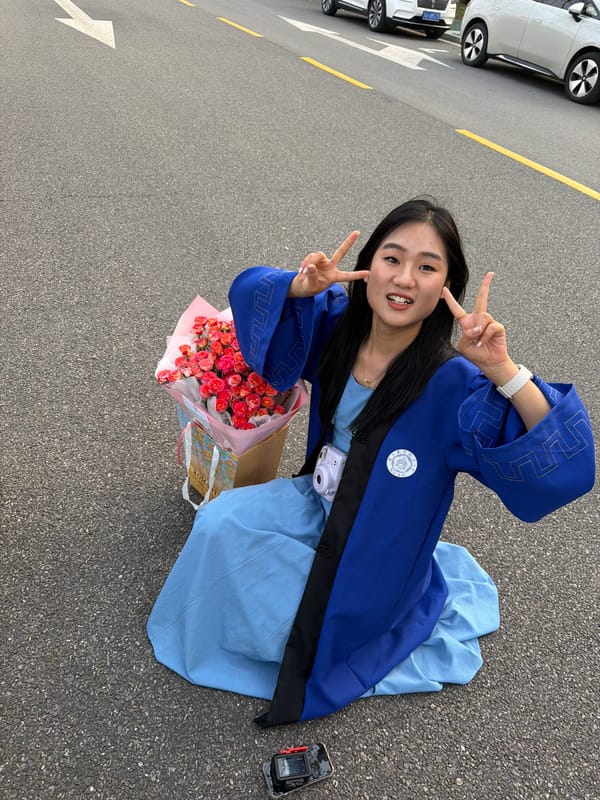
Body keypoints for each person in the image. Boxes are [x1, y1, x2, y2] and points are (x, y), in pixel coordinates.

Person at [147, 197, 595, 727]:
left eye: (427, 267)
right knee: (218, 523)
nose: (405, 279)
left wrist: (504, 370)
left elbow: (564, 465)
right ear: (368, 266)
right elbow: (252, 295)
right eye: (392, 258)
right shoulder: (338, 328)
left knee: (310, 619)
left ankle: (380, 615)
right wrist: (298, 286)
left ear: (447, 287)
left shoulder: (452, 383)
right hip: (315, 498)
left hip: (379, 542)